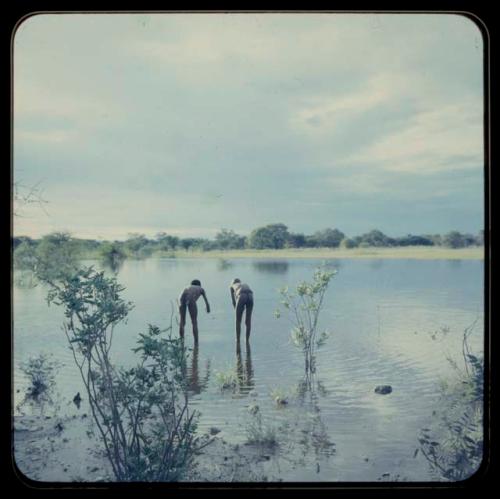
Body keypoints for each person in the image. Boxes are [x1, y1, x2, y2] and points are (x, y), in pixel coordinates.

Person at [230, 278, 254, 342]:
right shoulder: (243, 284)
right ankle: (247, 340)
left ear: (233, 283)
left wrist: (237, 311)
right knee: (248, 321)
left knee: (238, 321)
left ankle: (237, 340)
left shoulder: (231, 286)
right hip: (250, 295)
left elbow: (233, 302)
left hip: (241, 295)